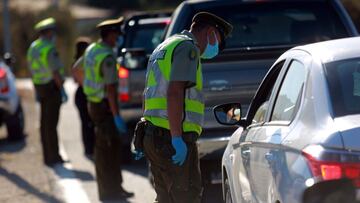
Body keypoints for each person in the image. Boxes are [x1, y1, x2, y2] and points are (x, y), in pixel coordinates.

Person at [142, 12, 233, 203]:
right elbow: (174, 92)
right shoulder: (188, 48)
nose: (217, 45)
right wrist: (176, 138)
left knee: (166, 198)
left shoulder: (165, 45)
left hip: (154, 134)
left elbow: (150, 91)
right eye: (218, 38)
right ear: (210, 32)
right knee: (187, 197)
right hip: (171, 136)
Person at [79, 17, 133, 201]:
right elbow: (110, 88)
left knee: (113, 146)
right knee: (105, 149)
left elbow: (77, 69)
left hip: (94, 103)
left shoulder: (92, 50)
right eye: (117, 35)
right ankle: (107, 192)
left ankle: (116, 187)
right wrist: (116, 115)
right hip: (105, 107)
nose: (118, 38)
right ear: (110, 35)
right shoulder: (107, 56)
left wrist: (89, 89)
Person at [27, 17, 68, 166]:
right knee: (51, 124)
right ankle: (54, 156)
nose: (54, 35)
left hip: (40, 87)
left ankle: (47, 156)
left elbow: (31, 70)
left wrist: (35, 88)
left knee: (44, 123)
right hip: (51, 88)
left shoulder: (33, 47)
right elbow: (55, 72)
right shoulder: (49, 48)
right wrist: (62, 89)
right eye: (53, 31)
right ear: (49, 32)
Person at [71, 37, 95, 159]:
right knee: (88, 123)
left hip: (81, 94)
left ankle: (89, 149)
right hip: (84, 94)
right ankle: (90, 149)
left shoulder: (79, 61)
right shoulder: (84, 60)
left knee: (86, 123)